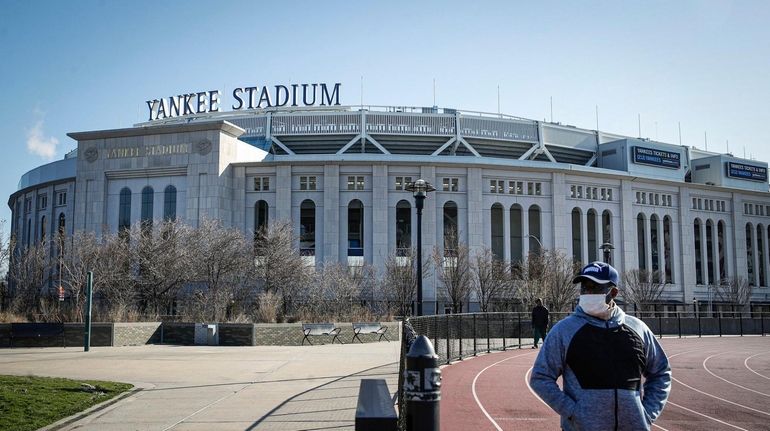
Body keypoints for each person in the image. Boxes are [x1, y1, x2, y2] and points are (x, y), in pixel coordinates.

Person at [529, 261, 671, 431]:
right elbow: (540, 377)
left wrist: (647, 413)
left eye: (594, 287)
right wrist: (572, 411)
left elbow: (661, 373)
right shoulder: (564, 330)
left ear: (613, 292)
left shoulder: (638, 329)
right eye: (584, 288)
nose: (587, 292)